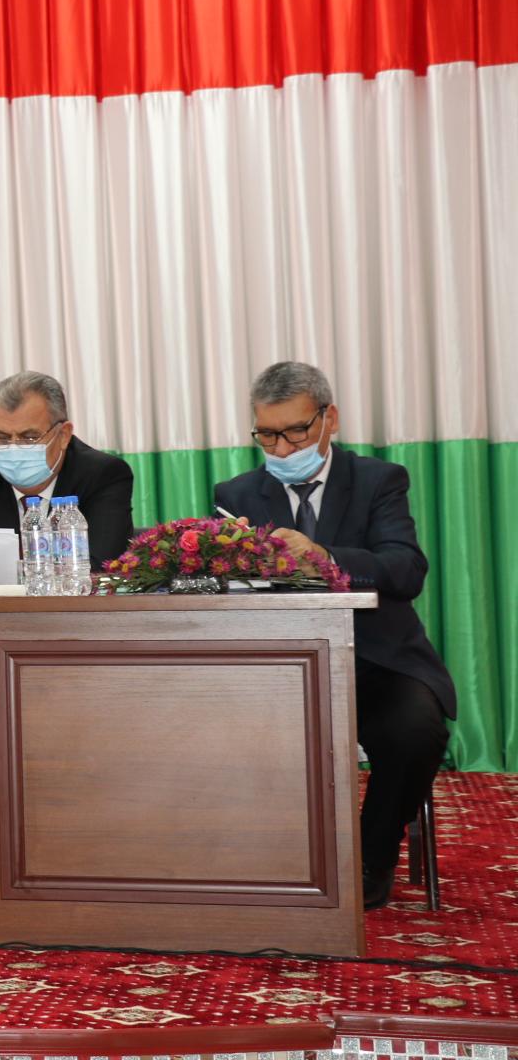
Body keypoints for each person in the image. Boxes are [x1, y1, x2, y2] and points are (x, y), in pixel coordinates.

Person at [213, 361, 454, 910]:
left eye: (296, 432)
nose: (281, 448)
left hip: (376, 660)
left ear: (330, 419)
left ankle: (370, 859)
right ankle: (258, 857)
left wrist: (325, 556)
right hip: (279, 666)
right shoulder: (237, 493)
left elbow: (406, 570)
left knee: (415, 733)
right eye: (267, 435)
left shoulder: (378, 480)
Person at [0, 371, 135, 568]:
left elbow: (102, 564)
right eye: (2, 437)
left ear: (63, 435)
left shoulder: (103, 475)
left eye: (29, 437)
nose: (14, 447)